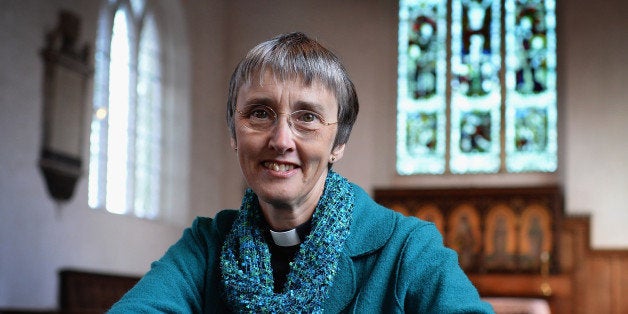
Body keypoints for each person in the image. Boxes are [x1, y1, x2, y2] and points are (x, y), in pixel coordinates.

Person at [109, 32, 494, 313]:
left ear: (338, 144)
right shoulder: (207, 247)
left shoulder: (407, 249)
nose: (280, 139)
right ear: (234, 133)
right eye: (259, 113)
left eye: (307, 117)